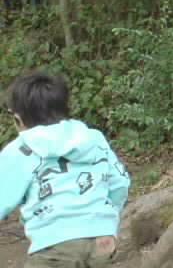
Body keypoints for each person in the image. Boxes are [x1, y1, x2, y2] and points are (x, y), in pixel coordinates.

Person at [0, 72, 131, 267]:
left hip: (54, 244)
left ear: (18, 118)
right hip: (102, 240)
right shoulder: (93, 138)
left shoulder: (21, 150)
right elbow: (120, 183)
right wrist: (106, 219)